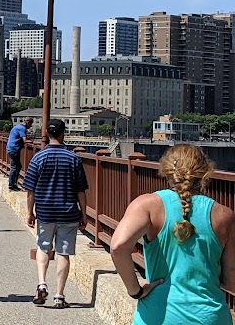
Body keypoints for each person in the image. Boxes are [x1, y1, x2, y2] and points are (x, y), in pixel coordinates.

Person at [110, 144, 235, 325]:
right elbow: (231, 279)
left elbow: (118, 246)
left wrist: (135, 290)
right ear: (205, 171)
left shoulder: (147, 205)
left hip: (159, 315)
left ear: (167, 171)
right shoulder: (224, 214)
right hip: (210, 316)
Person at [22, 119, 88, 309]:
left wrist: (30, 212)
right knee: (63, 253)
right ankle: (59, 295)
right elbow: (81, 191)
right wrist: (84, 214)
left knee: (43, 247)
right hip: (68, 212)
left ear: (47, 134)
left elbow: (30, 190)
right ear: (62, 134)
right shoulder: (73, 158)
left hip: (45, 212)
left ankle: (42, 284)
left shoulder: (38, 158)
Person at [6, 117, 30, 191]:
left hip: (10, 148)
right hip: (14, 149)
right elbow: (25, 140)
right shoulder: (22, 128)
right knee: (14, 167)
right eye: (30, 124)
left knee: (18, 166)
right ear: (27, 122)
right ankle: (12, 185)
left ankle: (13, 183)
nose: (30, 126)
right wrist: (31, 142)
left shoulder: (17, 126)